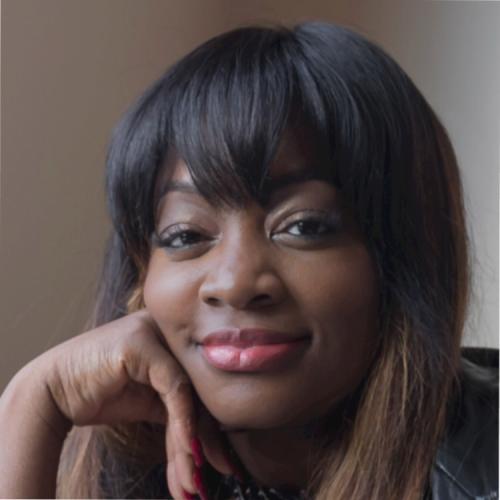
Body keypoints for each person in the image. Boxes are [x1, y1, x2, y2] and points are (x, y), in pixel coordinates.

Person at [0, 21, 497, 500]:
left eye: (303, 226)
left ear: (406, 256)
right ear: (139, 277)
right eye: (186, 235)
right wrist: (33, 406)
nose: (235, 283)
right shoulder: (124, 468)